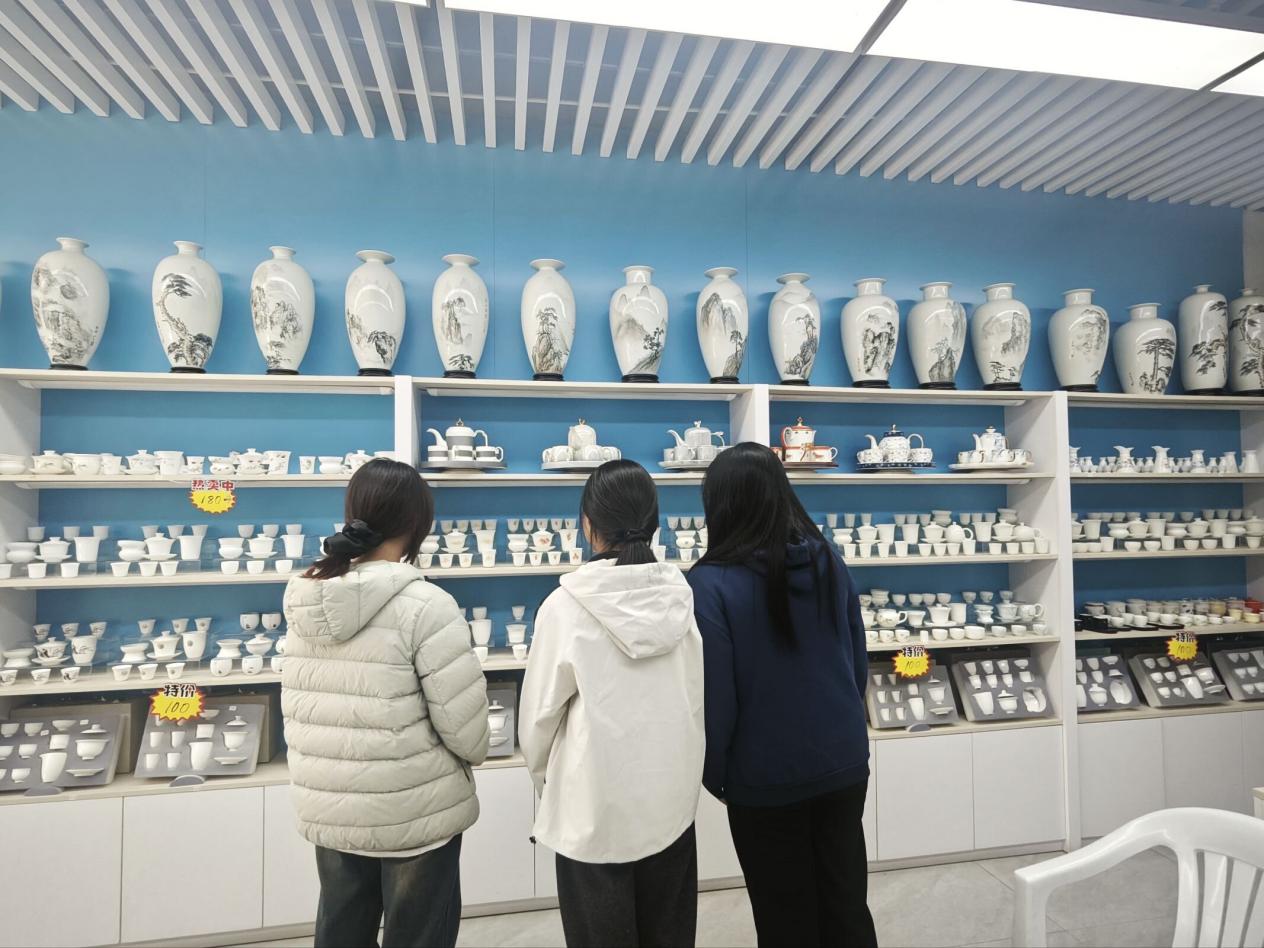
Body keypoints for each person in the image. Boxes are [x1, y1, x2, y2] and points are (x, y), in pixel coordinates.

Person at [281, 458, 490, 948]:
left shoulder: (308, 598)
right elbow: (466, 731)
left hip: (332, 806)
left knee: (342, 931)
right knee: (419, 935)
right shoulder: (426, 605)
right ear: (417, 524)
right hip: (414, 810)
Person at [686, 442, 876, 948]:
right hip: (843, 761)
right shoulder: (828, 559)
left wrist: (716, 773)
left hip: (764, 777)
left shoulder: (709, 584)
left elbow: (717, 697)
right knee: (846, 905)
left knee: (784, 916)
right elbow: (856, 661)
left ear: (720, 505)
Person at [518, 459, 705, 948]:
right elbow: (694, 697)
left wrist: (547, 784)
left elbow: (537, 722)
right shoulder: (680, 597)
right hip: (670, 804)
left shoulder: (566, 607)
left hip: (592, 810)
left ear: (588, 525)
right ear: (655, 523)